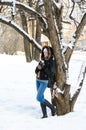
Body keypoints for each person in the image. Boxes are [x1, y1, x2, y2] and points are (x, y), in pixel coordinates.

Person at [35, 45, 56, 118]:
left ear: (49, 52)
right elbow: (36, 71)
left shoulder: (51, 61)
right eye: (43, 52)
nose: (45, 53)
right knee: (41, 97)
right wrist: (38, 68)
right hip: (37, 80)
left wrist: (44, 67)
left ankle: (52, 107)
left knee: (39, 98)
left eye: (46, 52)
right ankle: (45, 114)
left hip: (44, 81)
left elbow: (51, 74)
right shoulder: (42, 60)